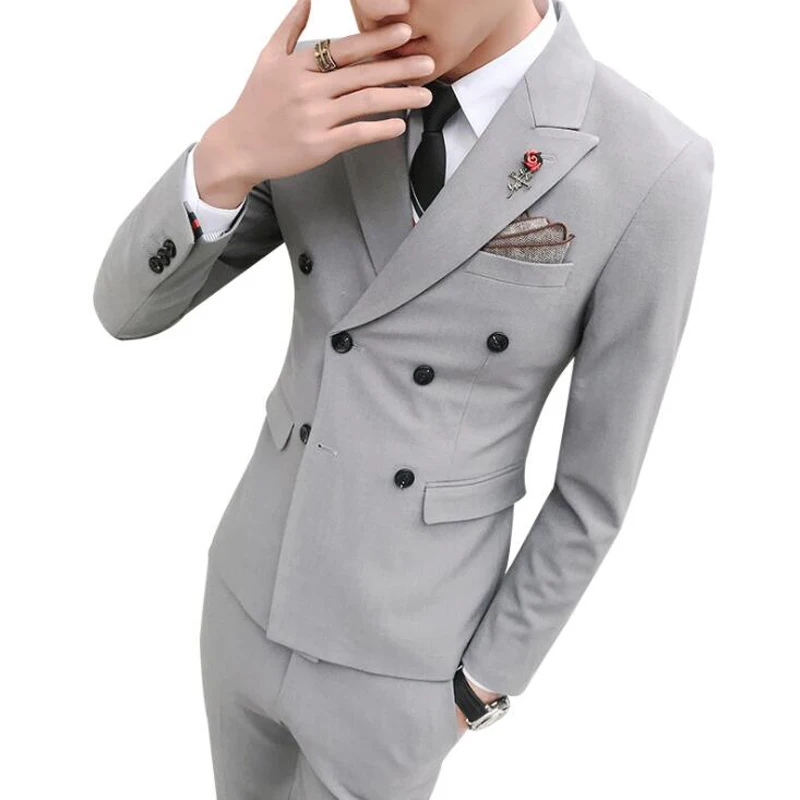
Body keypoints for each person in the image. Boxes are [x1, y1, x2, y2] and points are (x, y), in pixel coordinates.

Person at [93, 0, 714, 797]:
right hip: (246, 595)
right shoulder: (325, 90)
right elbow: (125, 313)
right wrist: (228, 154)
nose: (379, 5)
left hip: (404, 661)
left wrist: (483, 683)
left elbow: (595, 488)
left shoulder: (653, 165)